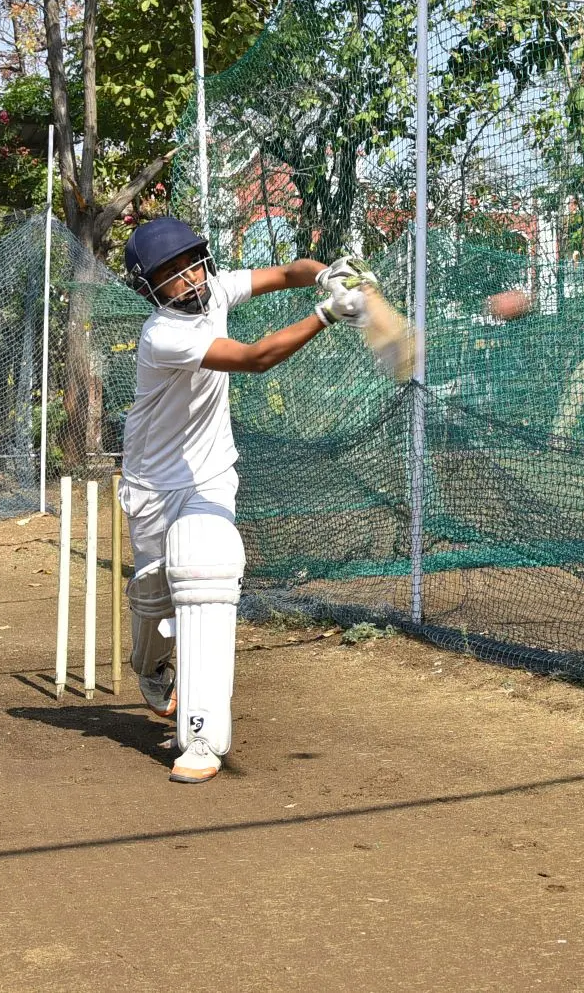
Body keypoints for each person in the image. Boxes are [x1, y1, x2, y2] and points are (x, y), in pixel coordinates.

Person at [117, 215, 369, 783]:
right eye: (170, 273)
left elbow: (284, 271)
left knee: (204, 559)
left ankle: (201, 739)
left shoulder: (216, 287)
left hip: (210, 476)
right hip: (153, 484)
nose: (188, 277)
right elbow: (256, 357)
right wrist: (328, 313)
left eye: (191, 263)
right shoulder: (164, 334)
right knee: (156, 593)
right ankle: (152, 669)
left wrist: (327, 273)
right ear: (151, 288)